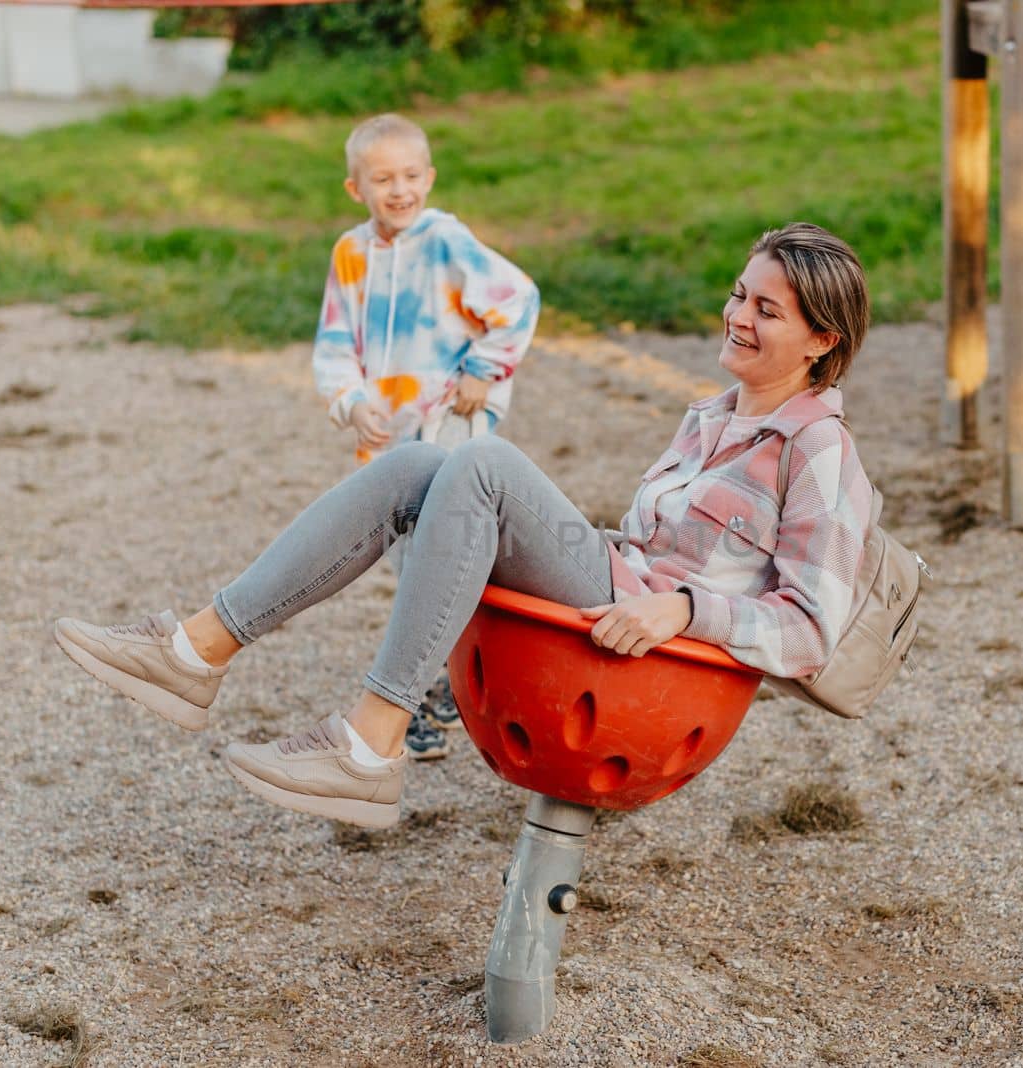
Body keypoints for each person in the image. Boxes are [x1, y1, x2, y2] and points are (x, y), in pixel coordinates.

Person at [53, 223, 875, 830]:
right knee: (417, 467)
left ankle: (372, 743)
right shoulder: (712, 416)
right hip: (619, 599)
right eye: (739, 293)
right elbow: (653, 550)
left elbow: (811, 628)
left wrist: (687, 611)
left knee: (484, 464)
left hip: (656, 658)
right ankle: (196, 651)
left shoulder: (818, 449)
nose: (738, 315)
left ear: (821, 340)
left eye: (766, 309)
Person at [314, 113, 541, 759]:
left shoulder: (445, 240)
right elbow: (334, 344)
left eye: (412, 175)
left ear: (430, 177)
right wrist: (350, 402)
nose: (400, 189)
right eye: (383, 178)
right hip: (388, 432)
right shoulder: (350, 254)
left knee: (435, 559)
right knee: (407, 558)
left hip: (448, 419)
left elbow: (518, 300)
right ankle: (456, 678)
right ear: (355, 188)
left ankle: (412, 697)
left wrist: (483, 369)